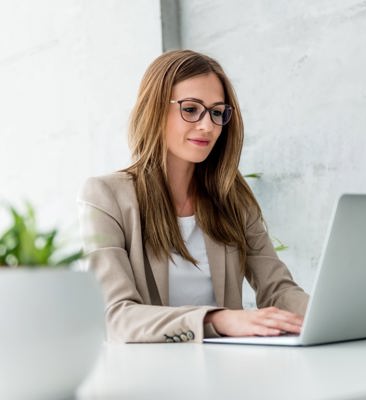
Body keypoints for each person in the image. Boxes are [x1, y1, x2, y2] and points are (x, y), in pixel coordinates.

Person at [78, 49, 309, 343]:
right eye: (190, 109)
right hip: (146, 376)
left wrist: (329, 314)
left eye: (216, 112)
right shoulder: (105, 196)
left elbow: (278, 290)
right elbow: (116, 316)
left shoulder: (231, 196)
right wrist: (216, 319)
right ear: (155, 109)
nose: (207, 126)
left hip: (225, 369)